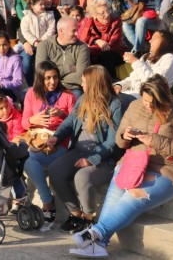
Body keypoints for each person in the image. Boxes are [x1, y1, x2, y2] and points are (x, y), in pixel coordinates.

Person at [70, 76, 173, 259]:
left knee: (133, 196)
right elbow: (119, 141)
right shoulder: (135, 106)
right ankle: (99, 244)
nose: (148, 106)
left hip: (166, 169)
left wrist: (155, 140)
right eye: (145, 101)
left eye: (153, 103)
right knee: (114, 198)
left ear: (165, 98)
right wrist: (125, 136)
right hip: (133, 163)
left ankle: (94, 233)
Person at [47, 65, 122, 234]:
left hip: (103, 157)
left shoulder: (114, 105)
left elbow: (113, 141)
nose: (81, 85)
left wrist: (92, 159)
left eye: (84, 82)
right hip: (78, 150)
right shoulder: (83, 99)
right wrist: (56, 137)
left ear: (95, 84)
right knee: (55, 170)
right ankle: (76, 214)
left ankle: (89, 219)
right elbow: (69, 121)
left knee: (82, 177)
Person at [21, 61, 77, 222]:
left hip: (60, 145)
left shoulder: (68, 96)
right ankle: (47, 200)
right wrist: (33, 119)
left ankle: (47, 203)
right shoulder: (32, 94)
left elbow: (76, 126)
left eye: (55, 77)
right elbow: (24, 123)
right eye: (47, 78)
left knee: (31, 160)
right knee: (28, 161)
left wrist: (62, 116)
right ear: (40, 78)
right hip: (38, 143)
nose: (52, 82)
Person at [36, 17, 90, 96]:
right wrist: (68, 68)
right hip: (47, 87)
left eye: (77, 30)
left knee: (77, 97)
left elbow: (81, 75)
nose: (77, 34)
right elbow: (41, 72)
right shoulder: (44, 46)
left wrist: (54, 79)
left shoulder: (82, 47)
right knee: (24, 95)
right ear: (61, 31)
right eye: (74, 31)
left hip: (72, 88)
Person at [77, 0, 125, 79]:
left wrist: (92, 47)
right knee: (84, 54)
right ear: (94, 15)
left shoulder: (115, 21)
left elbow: (113, 44)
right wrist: (96, 40)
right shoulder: (86, 21)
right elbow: (81, 40)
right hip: (93, 52)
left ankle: (111, 82)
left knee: (105, 55)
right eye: (102, 13)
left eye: (108, 11)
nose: (107, 15)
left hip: (114, 52)